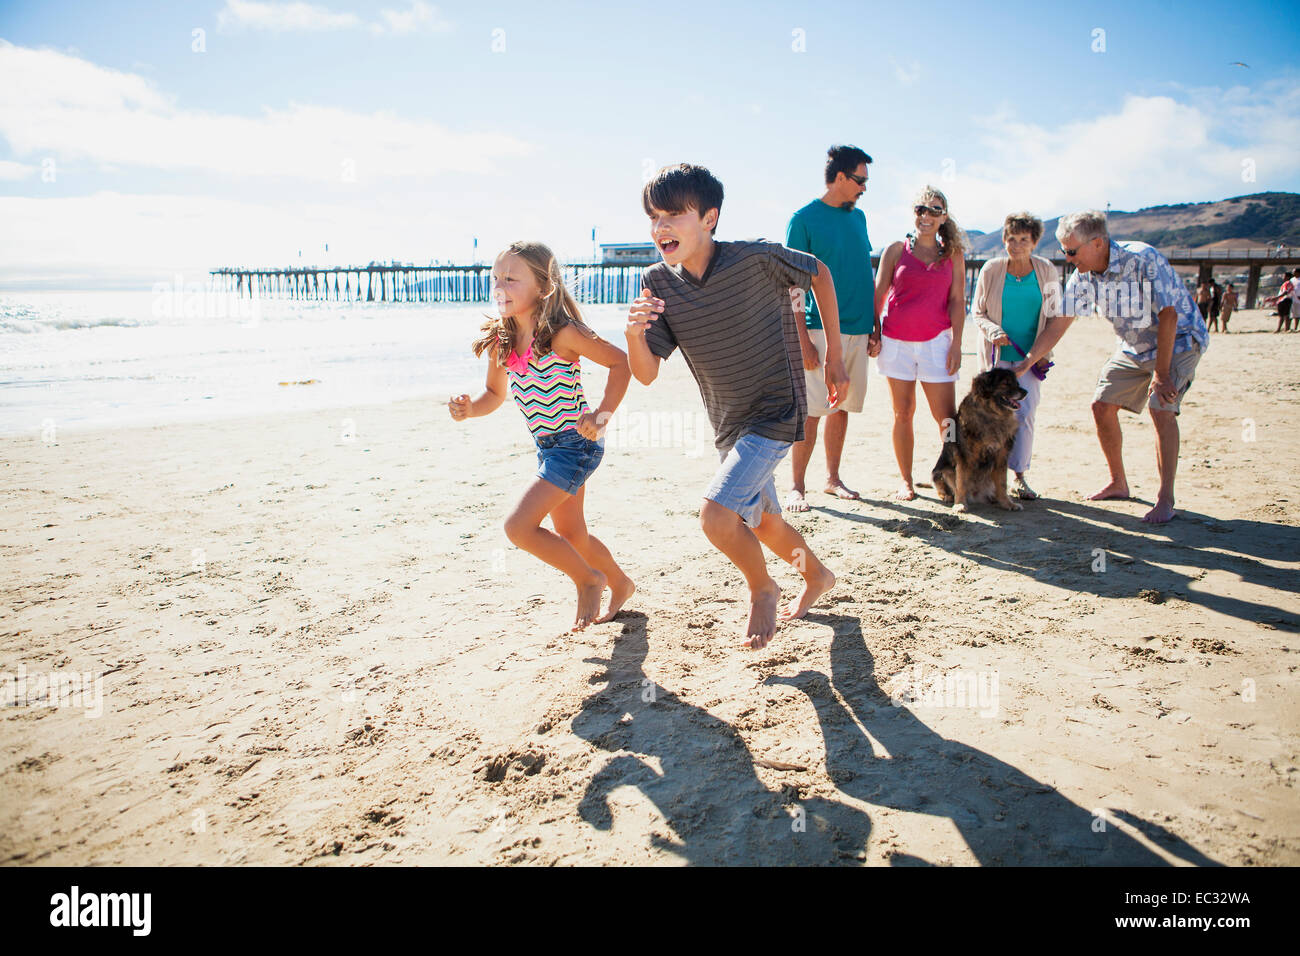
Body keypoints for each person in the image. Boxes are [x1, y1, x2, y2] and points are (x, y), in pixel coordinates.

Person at [625, 163, 849, 649]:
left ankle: (761, 587)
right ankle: (817, 576)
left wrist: (832, 354)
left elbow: (821, 274)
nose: (661, 226)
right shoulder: (658, 283)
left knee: (716, 516)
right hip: (729, 423)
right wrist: (632, 334)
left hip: (774, 409)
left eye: (673, 214)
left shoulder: (755, 258)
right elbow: (644, 373)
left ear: (709, 217)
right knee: (762, 520)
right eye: (653, 217)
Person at [449, 240, 635, 629]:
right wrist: (470, 410)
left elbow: (620, 363)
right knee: (572, 534)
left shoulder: (562, 334)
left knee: (518, 527)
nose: (500, 286)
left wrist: (602, 415)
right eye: (496, 277)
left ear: (543, 286)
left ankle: (588, 579)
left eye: (512, 279)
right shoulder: (502, 340)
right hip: (548, 448)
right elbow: (495, 394)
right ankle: (620, 583)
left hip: (576, 445)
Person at [1011, 210, 1208, 524]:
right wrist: (1027, 362)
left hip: (1179, 339)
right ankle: (1119, 483)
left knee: (1162, 407)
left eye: (1072, 251)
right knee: (1101, 406)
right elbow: (1058, 325)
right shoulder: (1083, 277)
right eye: (1064, 251)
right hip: (1133, 346)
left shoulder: (1143, 258)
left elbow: (1169, 315)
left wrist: (1162, 373)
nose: (1068, 258)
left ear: (1098, 243)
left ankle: (1165, 499)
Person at [783, 145, 880, 511]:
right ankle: (796, 486)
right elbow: (791, 285)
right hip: (818, 329)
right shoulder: (803, 219)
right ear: (840, 177)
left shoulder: (859, 218)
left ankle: (833, 478)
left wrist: (876, 322)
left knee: (842, 406)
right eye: (860, 180)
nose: (864, 188)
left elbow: (863, 271)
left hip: (858, 326)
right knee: (811, 408)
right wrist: (802, 338)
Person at [873, 185, 967, 501]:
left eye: (934, 211)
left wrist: (956, 344)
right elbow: (879, 295)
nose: (926, 216)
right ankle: (906, 481)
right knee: (903, 413)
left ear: (943, 217)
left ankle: (954, 478)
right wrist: (874, 332)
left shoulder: (953, 255)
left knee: (947, 419)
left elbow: (957, 300)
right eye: (920, 210)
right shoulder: (896, 250)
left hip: (937, 343)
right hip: (896, 342)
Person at [969, 212, 1063, 500]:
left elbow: (1056, 316)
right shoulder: (991, 269)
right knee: (990, 418)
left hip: (1030, 359)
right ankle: (987, 478)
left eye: (1024, 239)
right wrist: (992, 330)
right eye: (1011, 239)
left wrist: (1040, 355)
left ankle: (1019, 477)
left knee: (1025, 414)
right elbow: (978, 312)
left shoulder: (1046, 271)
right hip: (996, 360)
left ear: (1034, 242)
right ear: (1004, 240)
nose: (1017, 245)